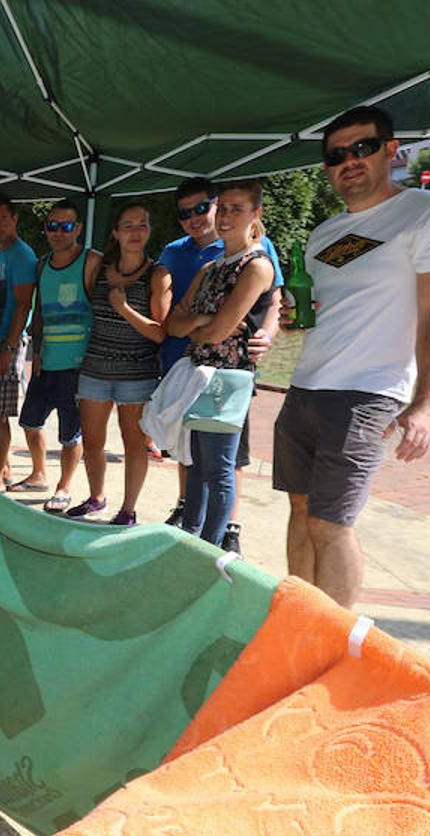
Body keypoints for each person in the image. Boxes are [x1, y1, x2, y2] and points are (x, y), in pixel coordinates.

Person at [274, 105, 430, 608]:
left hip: (367, 391)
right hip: (305, 387)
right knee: (300, 510)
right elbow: (321, 308)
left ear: (392, 150)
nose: (349, 161)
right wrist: (284, 312)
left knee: (331, 523)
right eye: (337, 155)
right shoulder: (323, 235)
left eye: (362, 148)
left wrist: (426, 404)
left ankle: (337, 647)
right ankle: (299, 624)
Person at [158, 176, 284, 553]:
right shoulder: (210, 267)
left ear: (255, 214)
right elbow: (176, 324)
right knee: (196, 465)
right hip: (200, 376)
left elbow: (217, 331)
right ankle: (191, 540)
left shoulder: (256, 265)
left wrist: (199, 323)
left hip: (226, 381)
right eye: (224, 208)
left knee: (220, 469)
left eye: (236, 209)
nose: (226, 216)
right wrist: (201, 323)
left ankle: (211, 549)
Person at [68, 204, 169, 523]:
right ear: (115, 232)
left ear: (150, 231)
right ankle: (96, 497)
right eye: (128, 225)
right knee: (92, 441)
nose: (136, 232)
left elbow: (160, 333)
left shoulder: (158, 274)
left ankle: (128, 510)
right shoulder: (99, 268)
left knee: (134, 444)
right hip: (95, 368)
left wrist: (124, 309)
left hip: (137, 374)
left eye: (142, 225)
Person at [13, 199, 99, 514]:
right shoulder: (42, 264)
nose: (58, 232)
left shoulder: (91, 261)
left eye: (65, 226)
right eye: (52, 226)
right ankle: (39, 474)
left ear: (77, 229)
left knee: (70, 433)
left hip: (77, 367)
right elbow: (38, 314)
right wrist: (35, 353)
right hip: (46, 362)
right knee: (30, 421)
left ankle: (64, 486)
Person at [0, 193, 38, 487]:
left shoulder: (23, 256)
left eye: (1, 220)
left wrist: (9, 348)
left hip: (6, 343)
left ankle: (0, 474)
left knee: (0, 414)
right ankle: (2, 468)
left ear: (15, 219)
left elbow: (24, 305)